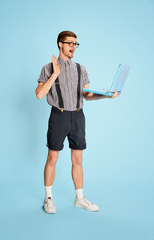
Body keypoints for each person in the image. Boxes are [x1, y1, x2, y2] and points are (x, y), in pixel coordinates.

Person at [36, 30, 119, 214]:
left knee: (78, 159)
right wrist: (54, 74)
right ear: (60, 44)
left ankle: (79, 198)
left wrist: (106, 96)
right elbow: (40, 94)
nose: (73, 47)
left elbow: (87, 95)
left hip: (78, 117)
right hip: (59, 115)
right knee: (52, 158)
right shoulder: (48, 68)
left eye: (76, 43)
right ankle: (48, 198)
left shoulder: (81, 68)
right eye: (70, 43)